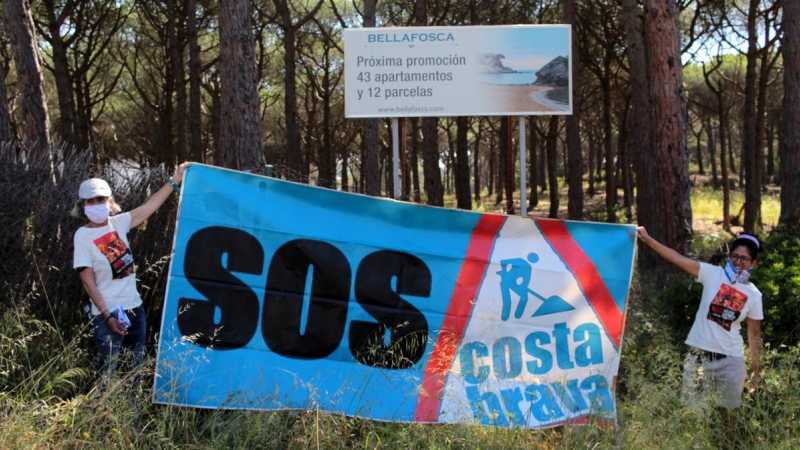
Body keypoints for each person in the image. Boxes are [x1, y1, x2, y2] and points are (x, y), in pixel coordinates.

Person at [72, 162, 190, 383]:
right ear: (83, 206)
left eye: (101, 200)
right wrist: (107, 316)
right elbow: (87, 282)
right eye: (91, 201)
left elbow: (149, 207)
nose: (96, 205)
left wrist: (175, 180)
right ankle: (103, 416)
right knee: (106, 375)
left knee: (133, 373)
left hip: (134, 309)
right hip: (107, 315)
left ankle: (131, 416)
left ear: (110, 201)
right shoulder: (82, 235)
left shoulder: (119, 223)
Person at [636, 227, 763, 409]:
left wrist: (756, 371)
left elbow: (754, 335)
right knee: (692, 416)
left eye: (744, 258)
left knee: (728, 418)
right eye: (735, 256)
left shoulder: (754, 295)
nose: (738, 262)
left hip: (731, 362)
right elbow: (676, 257)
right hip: (698, 359)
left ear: (753, 263)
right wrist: (648, 239)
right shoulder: (712, 274)